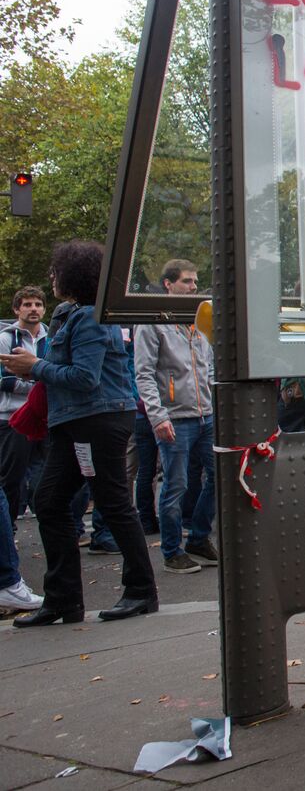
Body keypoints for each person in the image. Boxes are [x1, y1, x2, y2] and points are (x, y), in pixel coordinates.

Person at [5, 242, 157, 626]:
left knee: (112, 501)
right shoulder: (71, 316)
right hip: (76, 420)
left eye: (56, 271)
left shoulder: (89, 318)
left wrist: (35, 366)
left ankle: (140, 591)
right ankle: (62, 600)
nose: (52, 278)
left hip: (98, 419)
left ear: (72, 275)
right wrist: (36, 367)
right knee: (51, 501)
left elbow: (85, 379)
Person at [134, 260, 219, 575]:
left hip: (205, 414)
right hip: (175, 417)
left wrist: (214, 404)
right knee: (176, 484)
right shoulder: (153, 321)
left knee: (218, 476)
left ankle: (198, 538)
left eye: (195, 281)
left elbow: (207, 366)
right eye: (187, 281)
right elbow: (143, 374)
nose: (193, 287)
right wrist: (158, 416)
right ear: (168, 284)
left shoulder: (198, 321)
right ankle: (172, 550)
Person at [2, 287, 48, 524]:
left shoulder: (51, 337)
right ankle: (8, 531)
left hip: (45, 416)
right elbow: (4, 380)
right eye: (28, 304)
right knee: (11, 479)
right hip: (13, 417)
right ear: (16, 309)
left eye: (38, 304)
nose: (33, 309)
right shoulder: (5, 339)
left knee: (48, 476)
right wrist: (40, 379)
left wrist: (33, 374)